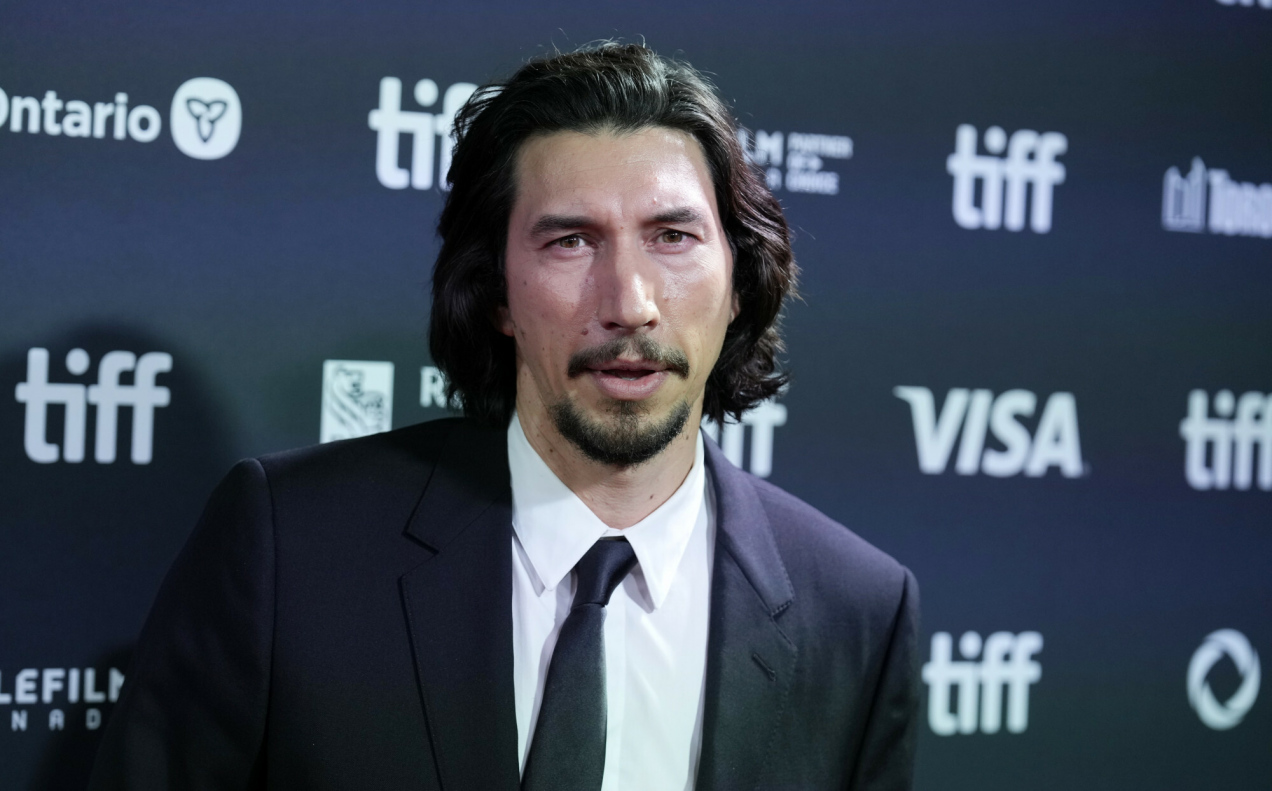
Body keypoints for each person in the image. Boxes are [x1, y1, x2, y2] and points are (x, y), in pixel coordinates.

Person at [88, 42, 919, 791]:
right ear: (495, 294)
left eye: (672, 236)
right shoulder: (291, 550)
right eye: (571, 241)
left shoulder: (858, 613)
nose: (629, 302)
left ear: (739, 281)